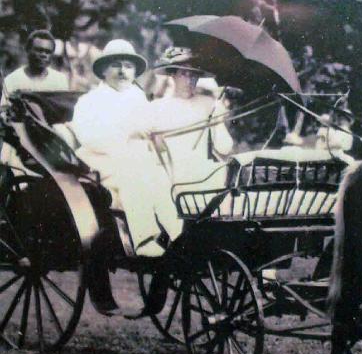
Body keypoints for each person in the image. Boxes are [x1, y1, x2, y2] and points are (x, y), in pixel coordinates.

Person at [70, 39, 181, 257]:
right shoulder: (89, 101)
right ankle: (143, 239)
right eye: (116, 65)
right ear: (103, 70)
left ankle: (178, 235)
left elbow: (151, 128)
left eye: (128, 66)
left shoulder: (138, 97)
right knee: (134, 172)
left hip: (136, 159)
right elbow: (87, 137)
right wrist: (126, 135)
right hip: (98, 163)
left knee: (161, 178)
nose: (123, 71)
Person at [147, 47, 234, 184]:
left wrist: (218, 121)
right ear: (173, 74)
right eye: (183, 74)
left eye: (193, 75)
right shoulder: (157, 108)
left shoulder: (208, 104)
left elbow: (225, 148)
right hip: (170, 179)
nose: (189, 80)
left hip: (202, 179)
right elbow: (154, 154)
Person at [1, 29, 70, 173]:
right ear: (27, 50)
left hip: (50, 138)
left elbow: (64, 113)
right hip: (20, 139)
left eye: (48, 52)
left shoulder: (59, 80)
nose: (43, 55)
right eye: (39, 50)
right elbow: (3, 111)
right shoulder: (13, 80)